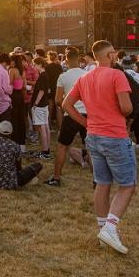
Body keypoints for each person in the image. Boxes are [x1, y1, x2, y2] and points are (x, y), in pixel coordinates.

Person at [61, 40, 134, 254]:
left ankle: (103, 230)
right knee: (127, 184)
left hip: (93, 135)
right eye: (113, 53)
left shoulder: (85, 77)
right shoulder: (116, 75)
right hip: (114, 134)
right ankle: (110, 228)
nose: (116, 56)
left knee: (102, 183)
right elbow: (127, 108)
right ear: (109, 55)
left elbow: (66, 104)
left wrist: (85, 122)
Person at [48, 49, 88, 186]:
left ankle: (56, 177)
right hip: (86, 115)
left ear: (66, 60)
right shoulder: (87, 75)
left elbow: (58, 100)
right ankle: (98, 180)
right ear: (79, 59)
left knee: (62, 147)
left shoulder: (63, 77)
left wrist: (66, 104)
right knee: (90, 147)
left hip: (70, 115)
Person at [0, 121, 43, 190]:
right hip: (9, 183)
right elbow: (18, 167)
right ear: (11, 133)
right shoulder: (15, 146)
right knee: (38, 166)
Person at [30, 57, 53, 156]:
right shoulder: (45, 75)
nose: (34, 66)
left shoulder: (42, 76)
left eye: (34, 64)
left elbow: (42, 91)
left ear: (39, 64)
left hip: (39, 105)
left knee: (41, 127)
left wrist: (35, 103)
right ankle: (47, 149)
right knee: (46, 125)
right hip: (44, 104)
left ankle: (44, 151)